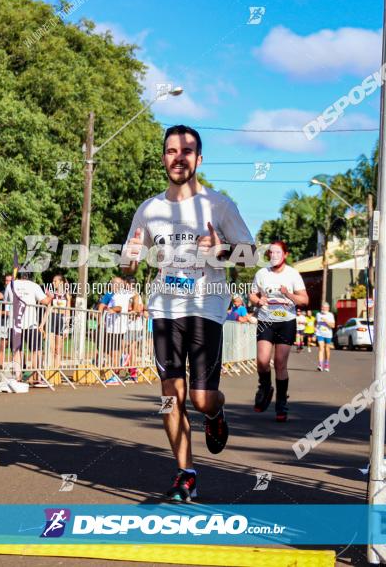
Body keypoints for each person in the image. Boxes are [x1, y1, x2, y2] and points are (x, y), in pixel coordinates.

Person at [122, 124, 255, 502]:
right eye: (171, 151)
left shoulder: (219, 205)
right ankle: (186, 472)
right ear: (163, 157)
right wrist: (129, 261)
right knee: (170, 394)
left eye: (187, 151)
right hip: (164, 308)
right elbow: (129, 262)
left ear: (199, 159)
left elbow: (252, 254)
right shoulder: (149, 209)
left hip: (206, 307)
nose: (178, 157)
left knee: (200, 398)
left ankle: (216, 414)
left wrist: (224, 250)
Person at [249, 241, 308, 422]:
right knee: (262, 360)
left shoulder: (293, 274)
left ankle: (281, 403)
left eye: (278, 252)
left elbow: (304, 300)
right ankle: (265, 387)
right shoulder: (262, 273)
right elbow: (252, 295)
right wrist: (258, 301)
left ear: (285, 254)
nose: (274, 255)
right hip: (266, 321)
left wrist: (288, 294)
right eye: (271, 253)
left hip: (286, 322)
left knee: (280, 363)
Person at [5, 270, 52, 381]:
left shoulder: (10, 285)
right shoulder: (34, 285)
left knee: (17, 350)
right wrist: (51, 296)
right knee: (36, 350)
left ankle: (18, 376)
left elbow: (5, 301)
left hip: (14, 323)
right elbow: (45, 301)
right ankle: (38, 377)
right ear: (29, 275)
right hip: (31, 324)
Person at [47, 274, 72, 371]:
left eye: (55, 281)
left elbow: (68, 311)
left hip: (62, 320)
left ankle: (56, 371)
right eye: (53, 281)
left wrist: (67, 328)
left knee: (58, 349)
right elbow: (48, 309)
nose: (53, 283)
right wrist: (42, 324)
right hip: (52, 319)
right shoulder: (52, 294)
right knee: (51, 348)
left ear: (61, 282)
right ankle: (49, 370)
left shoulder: (66, 296)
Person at [315, 302, 336, 372]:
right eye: (322, 307)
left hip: (328, 334)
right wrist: (315, 328)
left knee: (327, 349)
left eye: (323, 307)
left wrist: (326, 321)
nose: (322, 308)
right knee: (321, 348)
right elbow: (316, 321)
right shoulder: (318, 314)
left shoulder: (330, 315)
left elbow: (333, 326)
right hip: (319, 333)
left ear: (327, 308)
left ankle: (326, 364)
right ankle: (320, 365)